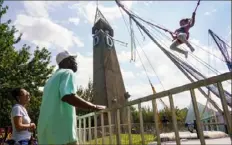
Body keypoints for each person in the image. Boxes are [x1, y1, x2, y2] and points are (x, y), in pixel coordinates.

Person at [37, 51, 106, 145]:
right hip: (62, 133)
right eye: (73, 59)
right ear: (66, 61)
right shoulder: (67, 72)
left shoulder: (51, 79)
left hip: (46, 133)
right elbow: (68, 96)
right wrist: (93, 106)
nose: (75, 62)